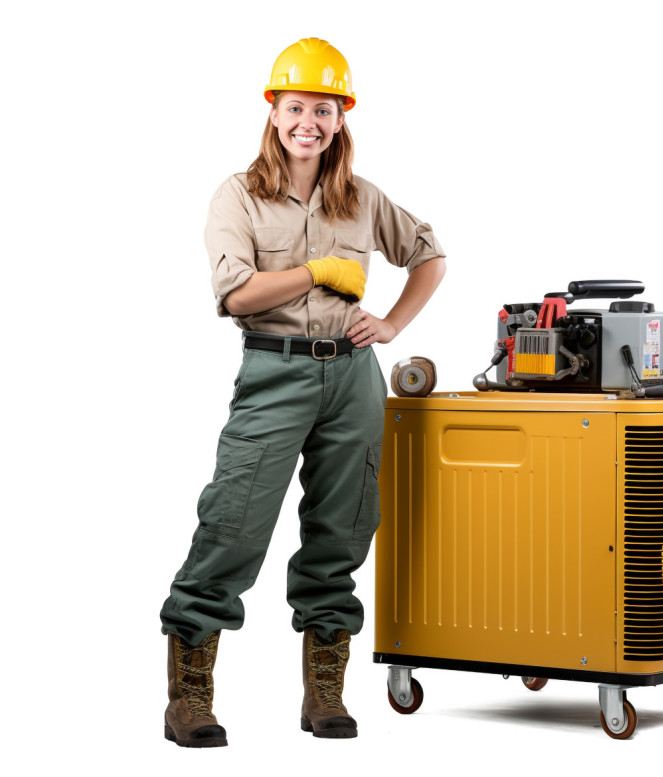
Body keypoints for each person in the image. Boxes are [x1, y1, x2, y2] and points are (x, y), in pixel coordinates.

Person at [159, 37, 446, 746]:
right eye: (296, 107)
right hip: (274, 372)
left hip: (352, 378)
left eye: (324, 108)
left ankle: (325, 693)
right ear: (274, 111)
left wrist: (389, 323)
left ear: (341, 116)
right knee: (233, 524)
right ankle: (187, 698)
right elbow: (237, 291)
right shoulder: (239, 195)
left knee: (343, 530)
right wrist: (319, 272)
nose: (308, 122)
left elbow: (431, 254)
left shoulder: (363, 198)